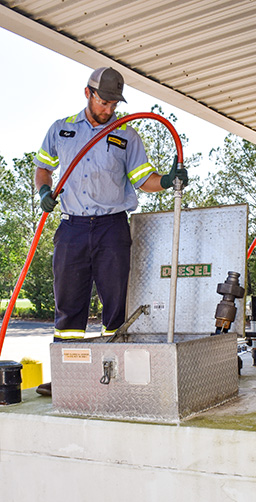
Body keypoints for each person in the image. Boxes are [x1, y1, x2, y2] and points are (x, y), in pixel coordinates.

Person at [34, 67, 188, 396]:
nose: (109, 110)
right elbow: (43, 168)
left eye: (114, 104)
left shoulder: (126, 135)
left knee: (115, 306)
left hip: (112, 229)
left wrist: (167, 179)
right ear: (87, 94)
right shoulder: (61, 130)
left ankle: (115, 379)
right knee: (69, 307)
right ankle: (67, 378)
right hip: (72, 228)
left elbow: (144, 179)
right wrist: (44, 193)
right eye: (104, 102)